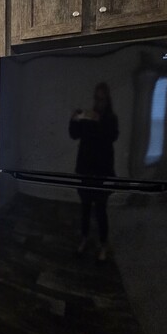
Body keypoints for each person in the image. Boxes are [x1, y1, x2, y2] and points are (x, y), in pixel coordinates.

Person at [69, 82, 119, 261]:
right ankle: (84, 239)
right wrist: (74, 119)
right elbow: (74, 134)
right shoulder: (88, 117)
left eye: (102, 99)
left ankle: (103, 244)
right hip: (85, 171)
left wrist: (99, 121)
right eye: (96, 98)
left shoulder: (111, 119)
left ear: (107, 100)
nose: (98, 102)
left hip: (102, 172)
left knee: (100, 210)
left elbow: (112, 136)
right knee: (85, 208)